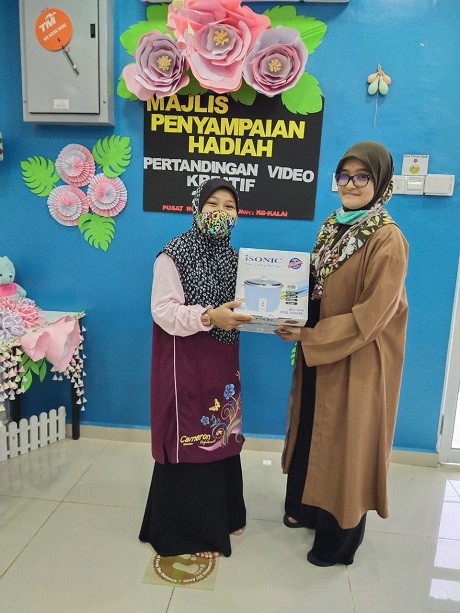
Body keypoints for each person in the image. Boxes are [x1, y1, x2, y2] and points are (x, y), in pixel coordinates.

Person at [275, 141, 409, 567]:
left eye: (362, 176)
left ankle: (338, 542)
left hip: (357, 357)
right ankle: (307, 510)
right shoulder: (334, 224)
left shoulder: (387, 238)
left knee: (346, 443)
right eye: (344, 176)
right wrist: (283, 310)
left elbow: (371, 317)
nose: (350, 184)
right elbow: (316, 285)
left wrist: (310, 334)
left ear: (380, 181)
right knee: (312, 428)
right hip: (319, 349)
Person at [139, 177, 253, 560]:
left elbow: (246, 306)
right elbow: (163, 311)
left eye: (229, 206)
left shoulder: (234, 258)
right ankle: (192, 532)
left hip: (222, 360)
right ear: (197, 208)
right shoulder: (173, 254)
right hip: (185, 361)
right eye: (212, 204)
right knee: (193, 437)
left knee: (222, 431)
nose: (221, 212)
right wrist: (208, 316)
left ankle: (226, 514)